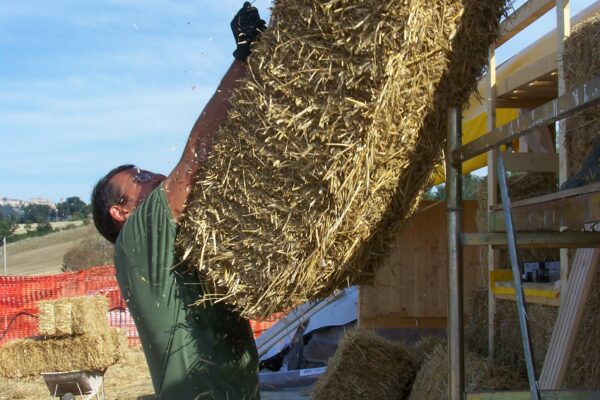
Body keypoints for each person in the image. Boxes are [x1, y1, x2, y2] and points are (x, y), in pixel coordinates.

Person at [91, 3, 266, 399]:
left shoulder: (168, 246)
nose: (152, 176)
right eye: (137, 180)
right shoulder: (135, 237)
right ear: (120, 212)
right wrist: (243, 59)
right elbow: (196, 161)